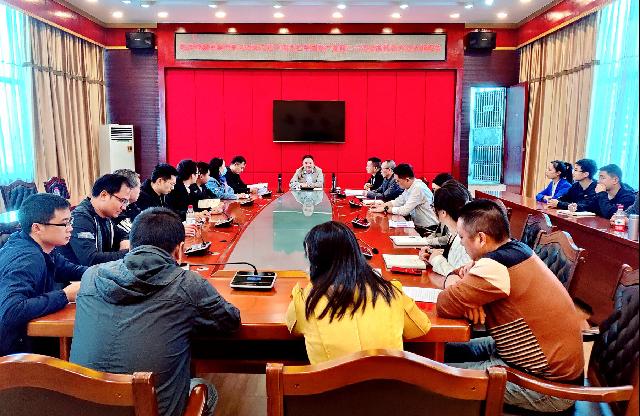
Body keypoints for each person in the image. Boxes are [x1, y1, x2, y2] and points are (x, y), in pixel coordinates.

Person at [70, 207, 241, 416]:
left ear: (131, 245)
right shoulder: (187, 283)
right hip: (150, 409)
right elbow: (230, 321)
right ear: (179, 250)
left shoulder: (91, 277)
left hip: (84, 408)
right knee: (205, 389)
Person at [436, 199, 584, 412]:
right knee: (439, 353)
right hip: (517, 356)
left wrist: (464, 292)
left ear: (481, 238)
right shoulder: (516, 249)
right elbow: (456, 281)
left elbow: (445, 304)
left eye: (461, 237)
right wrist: (465, 290)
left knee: (436, 378)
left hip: (548, 387)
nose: (460, 243)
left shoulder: (495, 266)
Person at [286, 221, 431, 364]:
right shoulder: (391, 293)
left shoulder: (305, 302)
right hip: (389, 379)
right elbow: (421, 327)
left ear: (314, 262)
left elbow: (294, 328)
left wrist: (313, 283)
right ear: (357, 254)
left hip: (333, 381)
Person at [0, 193, 84, 356]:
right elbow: (11, 311)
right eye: (64, 223)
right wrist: (65, 295)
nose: (70, 228)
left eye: (70, 221)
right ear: (37, 228)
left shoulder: (41, 246)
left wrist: (102, 273)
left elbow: (71, 269)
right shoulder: (28, 258)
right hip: (14, 356)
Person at [58, 174, 131, 266]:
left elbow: (124, 234)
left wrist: (125, 240)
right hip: (76, 274)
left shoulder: (106, 217)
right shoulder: (80, 218)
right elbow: (90, 259)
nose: (124, 207)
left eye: (126, 202)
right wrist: (129, 253)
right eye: (122, 201)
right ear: (104, 195)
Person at [418, 180, 472, 278]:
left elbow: (458, 275)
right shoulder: (455, 231)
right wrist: (431, 253)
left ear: (443, 212)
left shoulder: (463, 239)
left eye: (433, 207)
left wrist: (436, 259)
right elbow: (453, 257)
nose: (433, 210)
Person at [369, 163, 438, 235]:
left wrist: (385, 208)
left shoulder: (418, 188)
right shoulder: (410, 186)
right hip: (417, 226)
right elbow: (398, 201)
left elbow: (405, 211)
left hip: (428, 229)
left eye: (398, 181)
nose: (396, 183)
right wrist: (381, 206)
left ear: (407, 180)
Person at [113, 168, 142, 237]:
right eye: (139, 187)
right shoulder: (116, 210)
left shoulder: (132, 206)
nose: (140, 190)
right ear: (129, 188)